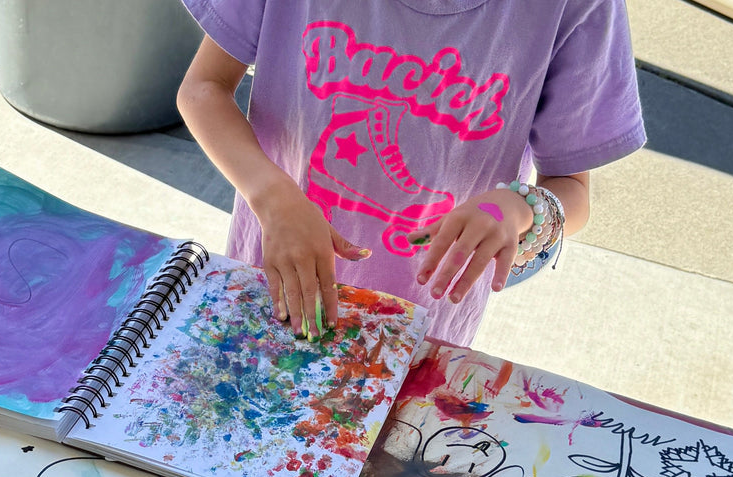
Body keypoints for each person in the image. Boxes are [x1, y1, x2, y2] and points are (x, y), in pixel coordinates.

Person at [176, 0, 645, 346]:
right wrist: (272, 195)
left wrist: (518, 208)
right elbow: (203, 89)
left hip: (419, 336)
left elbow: (572, 188)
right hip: (273, 287)